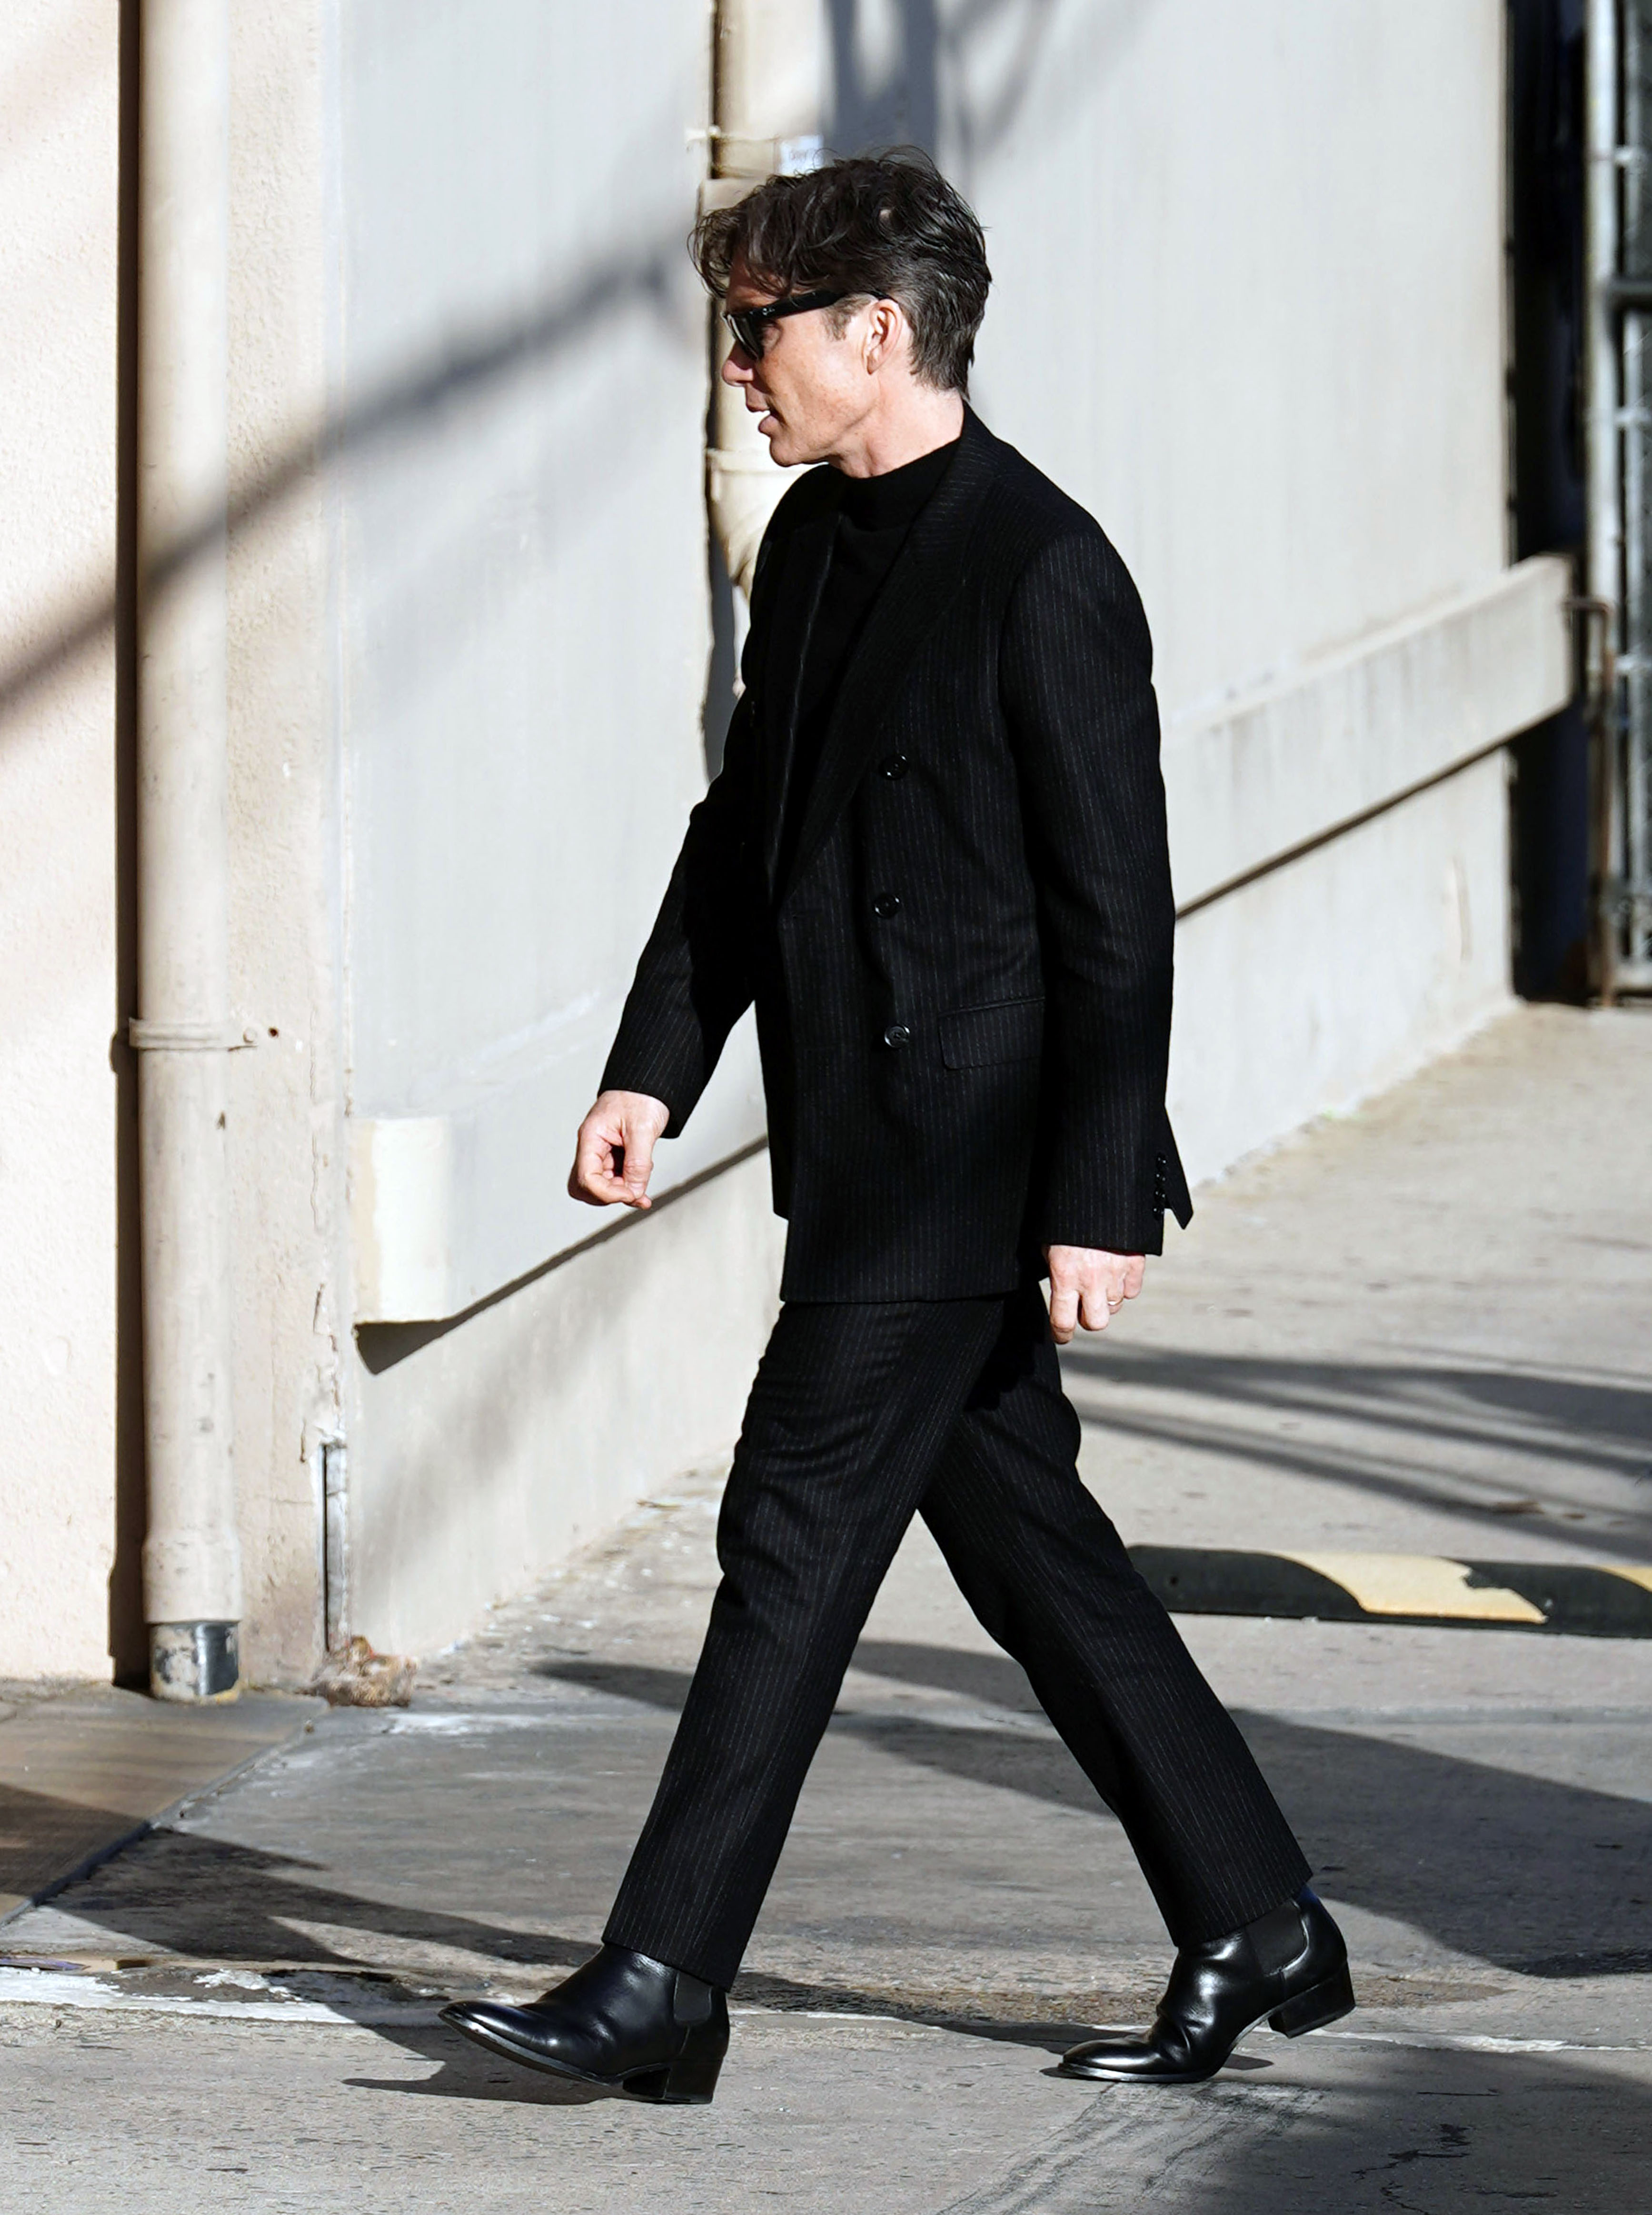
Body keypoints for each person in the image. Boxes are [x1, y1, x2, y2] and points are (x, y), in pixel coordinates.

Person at [442, 152, 1352, 2105]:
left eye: (759, 330)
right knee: (1036, 1556)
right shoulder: (816, 548)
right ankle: (1256, 1910)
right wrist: (651, 1064)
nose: (737, 370)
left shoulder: (1042, 566)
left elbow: (1118, 913)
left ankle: (665, 1975)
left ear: (877, 327)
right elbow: (743, 837)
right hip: (856, 1141)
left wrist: (1097, 1193)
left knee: (787, 1527)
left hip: (969, 1165)